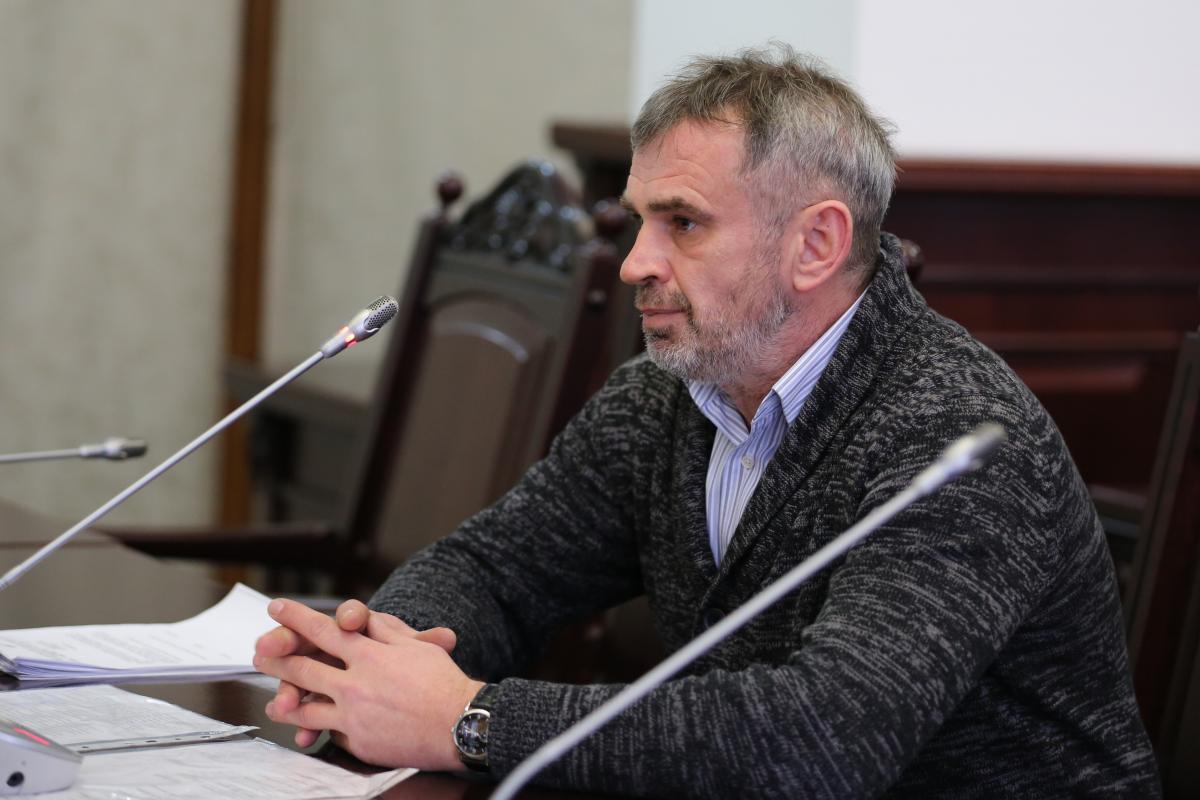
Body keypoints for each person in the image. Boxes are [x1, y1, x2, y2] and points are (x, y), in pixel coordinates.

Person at [253, 46, 1160, 798]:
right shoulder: (666, 398)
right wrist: (373, 659)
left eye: (682, 224)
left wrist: (469, 718)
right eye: (641, 220)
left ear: (815, 244)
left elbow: (824, 741)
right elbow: (495, 570)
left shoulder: (959, 440)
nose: (635, 262)